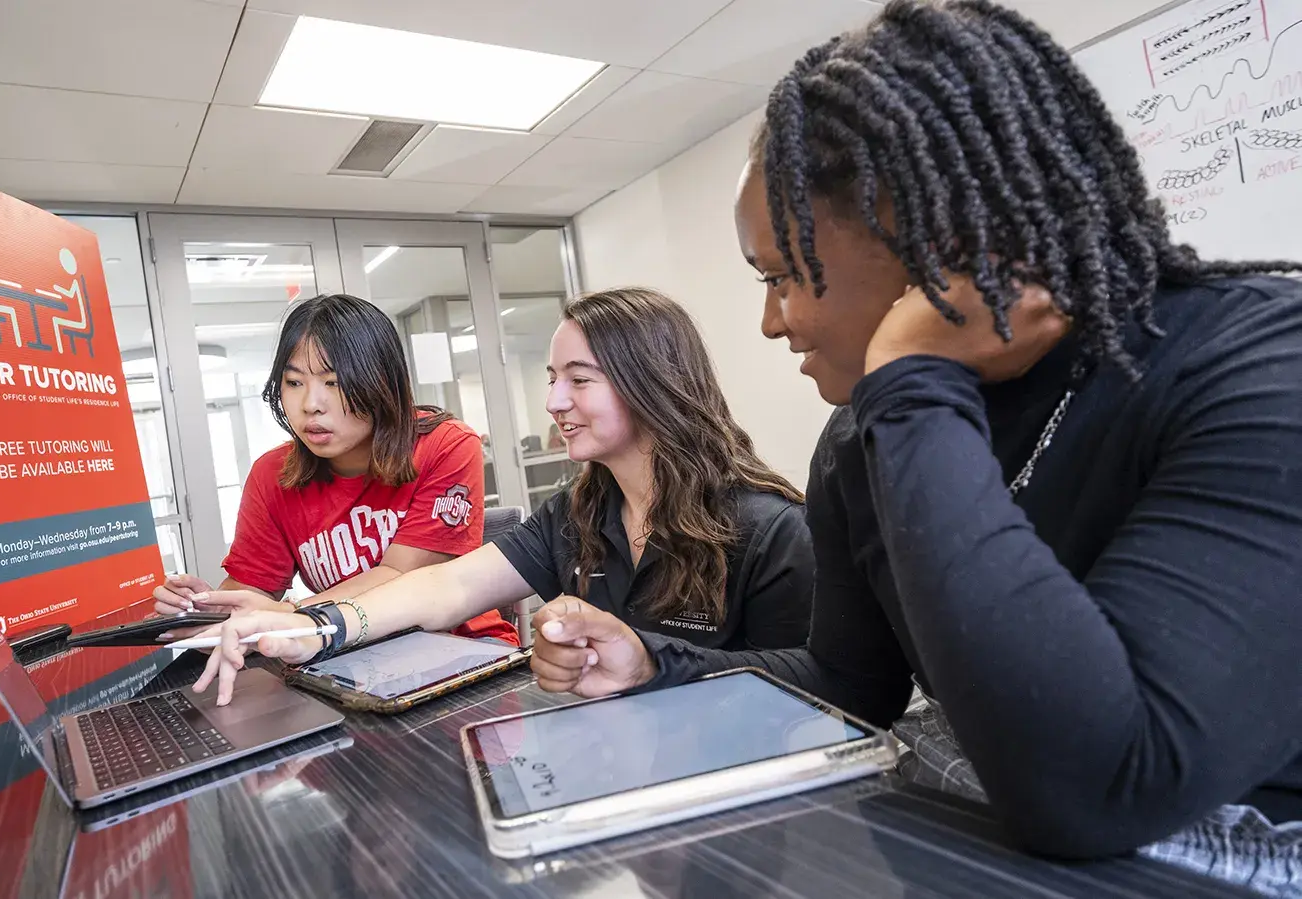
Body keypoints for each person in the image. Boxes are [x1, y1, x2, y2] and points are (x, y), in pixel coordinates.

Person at [522, 0, 1302, 868]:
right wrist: (653, 663)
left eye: (783, 276)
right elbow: (855, 684)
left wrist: (907, 372)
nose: (772, 323)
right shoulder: (865, 433)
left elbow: (1102, 784)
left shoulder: (1260, 368)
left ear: (945, 251)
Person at [190, 287, 813, 702]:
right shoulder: (577, 515)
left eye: (578, 380)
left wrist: (652, 659)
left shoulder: (771, 529)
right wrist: (320, 628)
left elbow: (839, 686)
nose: (553, 402)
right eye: (551, 380)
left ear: (652, 385)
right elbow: (448, 586)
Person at [152, 293, 515, 644]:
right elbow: (252, 589)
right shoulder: (272, 475)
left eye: (333, 383)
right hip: (349, 659)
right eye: (294, 383)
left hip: (462, 649)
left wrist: (287, 617)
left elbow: (402, 576)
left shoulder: (446, 445)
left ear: (381, 383)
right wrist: (203, 610)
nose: (311, 404)